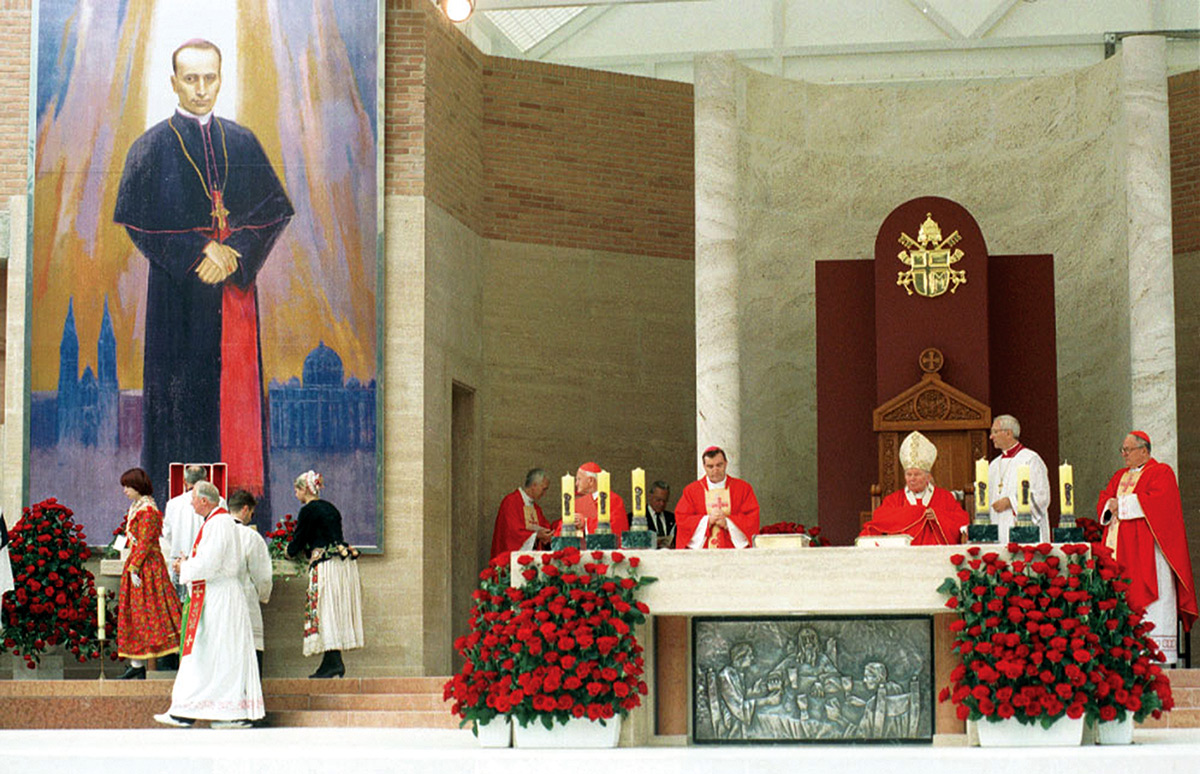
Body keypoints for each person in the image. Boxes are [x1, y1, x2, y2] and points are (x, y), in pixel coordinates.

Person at [113, 39, 294, 505]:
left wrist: (234, 253)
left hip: (232, 298)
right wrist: (199, 251)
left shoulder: (242, 142)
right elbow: (137, 222)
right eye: (190, 79)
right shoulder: (150, 147)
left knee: (230, 409)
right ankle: (179, 515)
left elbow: (274, 211)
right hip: (177, 304)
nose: (200, 88)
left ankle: (239, 514)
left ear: (220, 79)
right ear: (174, 82)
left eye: (209, 78)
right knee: (181, 411)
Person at [155, 481, 264, 728]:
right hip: (213, 596)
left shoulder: (219, 523)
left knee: (223, 655)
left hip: (221, 599)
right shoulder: (215, 521)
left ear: (204, 501)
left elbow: (210, 563)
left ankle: (229, 713)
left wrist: (184, 566)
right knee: (205, 654)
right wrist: (189, 563)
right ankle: (185, 710)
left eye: (193, 499)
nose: (191, 503)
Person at [1096, 431, 1198, 664]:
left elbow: (1158, 502)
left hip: (1150, 554)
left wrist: (1120, 504)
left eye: (1128, 450)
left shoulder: (1161, 472)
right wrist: (1110, 505)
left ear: (1144, 450)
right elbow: (1105, 499)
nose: (1124, 455)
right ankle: (1126, 655)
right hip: (1121, 553)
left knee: (1155, 600)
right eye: (1122, 450)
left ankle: (1157, 655)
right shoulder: (1119, 476)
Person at [287, 471, 364, 678]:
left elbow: (299, 539)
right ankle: (332, 661)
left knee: (325, 609)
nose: (295, 494)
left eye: (296, 489)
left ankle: (332, 662)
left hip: (325, 565)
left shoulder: (308, 510)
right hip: (341, 564)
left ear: (305, 489)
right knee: (334, 611)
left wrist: (288, 551)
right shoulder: (331, 508)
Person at [116, 468, 182, 679]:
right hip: (138, 564)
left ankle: (169, 658)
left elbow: (145, 542)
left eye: (128, 486)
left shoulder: (148, 511)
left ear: (138, 487)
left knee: (152, 612)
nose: (125, 490)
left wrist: (135, 567)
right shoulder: (138, 508)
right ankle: (136, 664)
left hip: (147, 568)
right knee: (136, 613)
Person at [859, 431, 967, 545]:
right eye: (908, 474)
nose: (912, 479)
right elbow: (879, 520)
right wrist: (913, 513)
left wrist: (938, 516)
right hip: (902, 553)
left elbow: (962, 520)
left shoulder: (945, 497)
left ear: (928, 477)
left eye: (917, 474)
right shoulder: (893, 500)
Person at [675, 446, 760, 549]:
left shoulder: (742, 488)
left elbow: (752, 519)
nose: (715, 470)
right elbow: (682, 520)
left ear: (726, 463)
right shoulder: (692, 491)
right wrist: (707, 521)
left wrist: (728, 523)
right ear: (704, 467)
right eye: (710, 466)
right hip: (704, 551)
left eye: (719, 465)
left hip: (733, 550)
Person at [987, 414, 1051, 543]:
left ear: (1008, 433)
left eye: (995, 432)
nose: (991, 437)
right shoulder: (994, 465)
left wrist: (1010, 502)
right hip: (998, 531)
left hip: (1024, 533)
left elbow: (1041, 496)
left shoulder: (1030, 459)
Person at [229, 489, 272, 674]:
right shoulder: (251, 537)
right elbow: (262, 575)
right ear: (245, 509)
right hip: (244, 600)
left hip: (219, 604)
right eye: (252, 513)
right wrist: (263, 595)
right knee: (249, 655)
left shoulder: (213, 533)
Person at [161, 465, 210, 599]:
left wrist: (179, 546)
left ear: (184, 481)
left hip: (179, 559)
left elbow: (167, 533)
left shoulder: (173, 504)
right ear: (206, 480)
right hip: (204, 560)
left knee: (181, 605)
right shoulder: (216, 502)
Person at [551, 462, 631, 542]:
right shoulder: (578, 502)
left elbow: (617, 527)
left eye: (579, 479)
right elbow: (560, 532)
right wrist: (570, 525)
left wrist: (586, 523)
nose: (576, 484)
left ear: (590, 481)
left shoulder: (613, 499)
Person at [489, 469, 553, 561]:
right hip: (511, 559)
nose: (544, 494)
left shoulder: (535, 508)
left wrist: (549, 534)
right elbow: (512, 534)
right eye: (544, 489)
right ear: (534, 485)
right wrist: (536, 536)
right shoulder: (511, 502)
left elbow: (546, 528)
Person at [647, 480, 676, 549]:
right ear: (650, 496)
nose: (662, 504)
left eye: (665, 501)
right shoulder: (637, 518)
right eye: (658, 500)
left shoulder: (672, 518)